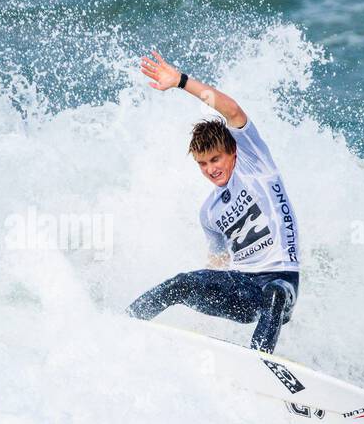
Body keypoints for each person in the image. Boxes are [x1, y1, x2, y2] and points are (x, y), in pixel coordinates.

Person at [127, 51, 301, 354]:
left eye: (216, 159)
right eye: (203, 164)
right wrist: (204, 315)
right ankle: (123, 324)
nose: (211, 169)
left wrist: (180, 82)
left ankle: (258, 363)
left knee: (273, 294)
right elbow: (218, 261)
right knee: (181, 283)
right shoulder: (209, 211)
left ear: (233, 151)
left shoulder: (255, 164)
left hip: (281, 285)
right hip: (242, 288)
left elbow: (232, 110)